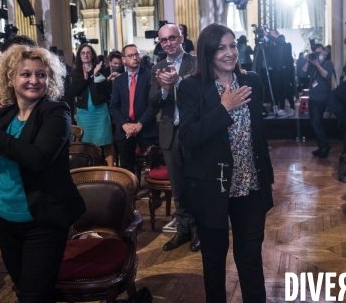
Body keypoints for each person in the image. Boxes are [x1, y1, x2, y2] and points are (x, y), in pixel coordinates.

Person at [0, 45, 86, 302]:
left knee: (33, 297)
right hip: (6, 219)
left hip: (42, 221)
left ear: (49, 78)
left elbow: (38, 158)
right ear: (10, 79)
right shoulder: (4, 114)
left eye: (41, 74)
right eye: (26, 74)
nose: (34, 80)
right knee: (25, 291)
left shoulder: (56, 112)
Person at [177, 23, 274, 303]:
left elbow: (259, 135)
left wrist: (266, 177)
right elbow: (188, 136)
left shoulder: (251, 80)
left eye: (232, 45)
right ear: (208, 52)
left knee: (250, 259)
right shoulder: (191, 87)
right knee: (214, 263)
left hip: (250, 185)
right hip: (212, 189)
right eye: (221, 47)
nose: (230, 52)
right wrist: (224, 108)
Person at [149, 24, 199, 252]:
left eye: (172, 38)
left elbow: (202, 97)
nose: (167, 43)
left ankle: (199, 229)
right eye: (163, 40)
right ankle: (183, 229)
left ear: (181, 38)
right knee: (177, 185)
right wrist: (165, 89)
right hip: (170, 133)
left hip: (193, 131)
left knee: (195, 183)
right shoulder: (157, 67)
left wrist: (178, 82)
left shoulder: (196, 63)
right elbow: (152, 102)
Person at [109, 44, 158, 174]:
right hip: (125, 130)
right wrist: (124, 125)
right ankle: (131, 194)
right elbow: (114, 106)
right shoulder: (119, 80)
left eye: (136, 55)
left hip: (146, 128)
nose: (135, 58)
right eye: (131, 56)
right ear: (124, 60)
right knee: (126, 169)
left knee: (153, 166)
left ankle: (153, 194)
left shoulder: (150, 75)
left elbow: (153, 104)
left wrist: (139, 124)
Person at [71, 44, 114, 163]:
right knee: (86, 144)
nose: (85, 55)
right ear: (79, 56)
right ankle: (90, 170)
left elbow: (105, 89)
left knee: (106, 142)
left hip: (100, 110)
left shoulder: (101, 68)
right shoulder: (75, 72)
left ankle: (111, 172)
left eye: (88, 52)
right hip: (84, 113)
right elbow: (74, 91)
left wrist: (95, 74)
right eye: (83, 53)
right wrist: (85, 78)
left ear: (92, 55)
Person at [299, 44, 334, 158]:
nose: (318, 55)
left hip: (322, 98)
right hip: (312, 97)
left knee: (316, 123)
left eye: (320, 52)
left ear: (324, 52)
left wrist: (318, 64)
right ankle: (321, 146)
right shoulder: (312, 65)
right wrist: (308, 61)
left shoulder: (328, 64)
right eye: (316, 53)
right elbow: (301, 74)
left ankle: (325, 146)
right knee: (314, 123)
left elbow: (327, 76)